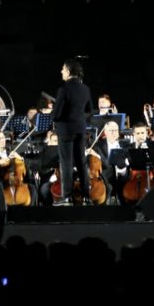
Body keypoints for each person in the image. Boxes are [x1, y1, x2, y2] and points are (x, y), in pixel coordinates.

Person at [51, 58, 91, 205]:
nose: (61, 71)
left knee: (66, 163)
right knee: (81, 162)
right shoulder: (85, 89)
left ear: (68, 71)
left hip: (66, 130)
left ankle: (67, 197)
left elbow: (56, 115)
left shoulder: (64, 89)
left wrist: (53, 113)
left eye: (63, 69)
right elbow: (88, 110)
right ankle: (86, 197)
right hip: (81, 129)